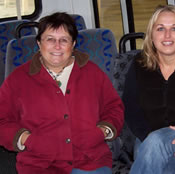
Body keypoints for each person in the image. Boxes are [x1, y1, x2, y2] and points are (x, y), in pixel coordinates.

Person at [0, 12, 124, 174]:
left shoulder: (92, 72)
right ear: (39, 43)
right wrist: (27, 139)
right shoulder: (18, 79)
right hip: (39, 164)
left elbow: (114, 107)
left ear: (72, 44)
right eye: (50, 39)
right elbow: (2, 120)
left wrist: (102, 131)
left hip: (89, 161)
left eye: (64, 40)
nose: (57, 46)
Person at [122, 5, 175, 174]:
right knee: (160, 158)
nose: (167, 35)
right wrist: (150, 138)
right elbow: (130, 108)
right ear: (151, 35)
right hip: (147, 137)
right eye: (160, 28)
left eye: (174, 28)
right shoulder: (139, 64)